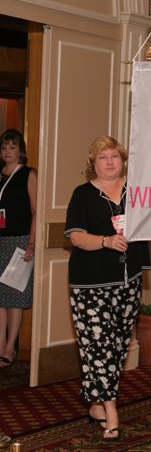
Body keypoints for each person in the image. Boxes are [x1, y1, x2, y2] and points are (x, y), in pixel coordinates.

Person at [64, 135, 150, 442]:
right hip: (90, 283)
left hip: (128, 281)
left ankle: (97, 403)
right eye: (103, 157)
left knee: (117, 345)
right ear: (93, 164)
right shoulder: (83, 194)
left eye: (114, 156)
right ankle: (112, 411)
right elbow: (75, 237)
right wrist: (105, 241)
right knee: (97, 345)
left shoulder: (137, 192)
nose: (110, 161)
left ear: (122, 160)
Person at [0, 128, 37, 368]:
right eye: (4, 148)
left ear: (20, 150)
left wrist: (31, 242)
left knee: (14, 297)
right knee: (0, 298)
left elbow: (36, 211)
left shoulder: (28, 174)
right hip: (0, 240)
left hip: (19, 241)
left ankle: (10, 348)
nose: (7, 152)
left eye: (12, 147)